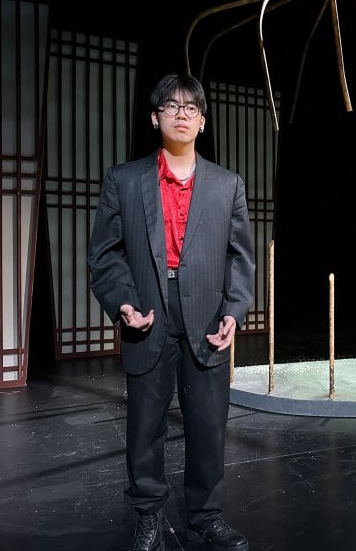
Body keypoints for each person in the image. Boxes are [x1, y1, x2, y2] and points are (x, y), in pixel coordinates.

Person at [87, 72, 255, 551]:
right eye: (172, 106)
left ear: (202, 122)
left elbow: (240, 256)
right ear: (155, 117)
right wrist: (122, 302)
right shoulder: (125, 179)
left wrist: (234, 310)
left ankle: (206, 514)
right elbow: (105, 253)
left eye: (191, 108)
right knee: (145, 425)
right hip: (148, 313)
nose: (182, 114)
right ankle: (147, 515)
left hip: (206, 318)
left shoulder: (228, 184)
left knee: (208, 423)